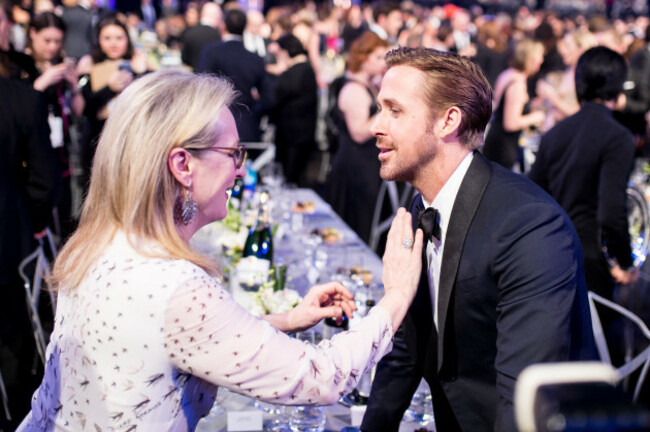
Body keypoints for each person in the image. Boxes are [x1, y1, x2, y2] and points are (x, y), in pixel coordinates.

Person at [16, 69, 424, 431]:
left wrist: (285, 319)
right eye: (233, 154)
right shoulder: (173, 283)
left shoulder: (103, 240)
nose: (241, 169)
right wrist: (397, 295)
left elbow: (163, 335)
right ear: (182, 164)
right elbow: (320, 377)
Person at [361, 47, 596, 432]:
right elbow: (406, 347)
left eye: (394, 110)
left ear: (447, 121)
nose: (376, 125)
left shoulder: (528, 226)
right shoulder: (422, 202)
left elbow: (524, 401)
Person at [529, 46, 638, 335]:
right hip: (591, 261)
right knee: (601, 349)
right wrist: (625, 262)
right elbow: (611, 210)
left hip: (551, 253)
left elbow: (532, 196)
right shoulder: (618, 137)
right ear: (617, 88)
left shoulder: (555, 134)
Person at [0, 77, 60, 431]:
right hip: (10, 237)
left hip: (12, 236)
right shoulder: (21, 97)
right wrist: (33, 220)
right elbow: (46, 181)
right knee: (14, 343)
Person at [327, 31, 389, 245]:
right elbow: (359, 132)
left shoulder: (370, 86)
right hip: (354, 165)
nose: (383, 63)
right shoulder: (354, 89)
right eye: (378, 57)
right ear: (363, 58)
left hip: (365, 164)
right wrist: (387, 109)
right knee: (352, 222)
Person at [27, 11, 84, 240]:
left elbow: (78, 110)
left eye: (58, 41)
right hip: (33, 153)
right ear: (32, 34)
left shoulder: (62, 65)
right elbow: (18, 108)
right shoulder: (21, 65)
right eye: (47, 41)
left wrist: (73, 84)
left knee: (66, 210)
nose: (52, 47)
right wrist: (42, 82)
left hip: (62, 152)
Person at [78, 13, 147, 191]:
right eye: (107, 38)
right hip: (99, 144)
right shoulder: (89, 66)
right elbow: (86, 109)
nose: (113, 43)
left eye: (119, 38)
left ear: (127, 39)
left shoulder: (138, 65)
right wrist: (109, 88)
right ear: (98, 40)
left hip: (132, 144)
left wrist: (141, 74)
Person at [198, 7, 274, 143]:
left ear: (224, 26)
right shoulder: (254, 58)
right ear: (245, 28)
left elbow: (202, 87)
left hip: (215, 127)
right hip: (247, 127)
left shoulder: (211, 52)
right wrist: (253, 113)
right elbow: (268, 98)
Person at [482, 38, 546, 171]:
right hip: (503, 147)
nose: (541, 60)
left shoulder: (509, 74)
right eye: (539, 56)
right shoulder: (517, 83)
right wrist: (536, 117)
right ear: (529, 58)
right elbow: (510, 123)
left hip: (497, 141)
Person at [270, 33, 318, 186]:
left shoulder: (295, 73)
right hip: (302, 135)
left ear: (286, 51)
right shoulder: (306, 70)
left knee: (290, 180)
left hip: (292, 137)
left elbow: (275, 97)